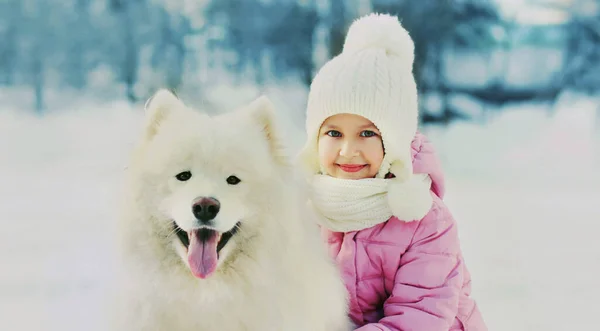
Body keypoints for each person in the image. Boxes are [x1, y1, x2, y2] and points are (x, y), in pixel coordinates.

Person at [297, 13, 487, 330]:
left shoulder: (424, 221)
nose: (347, 150)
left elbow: (418, 317)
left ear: (395, 139)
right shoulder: (307, 208)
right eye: (333, 133)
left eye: (367, 134)